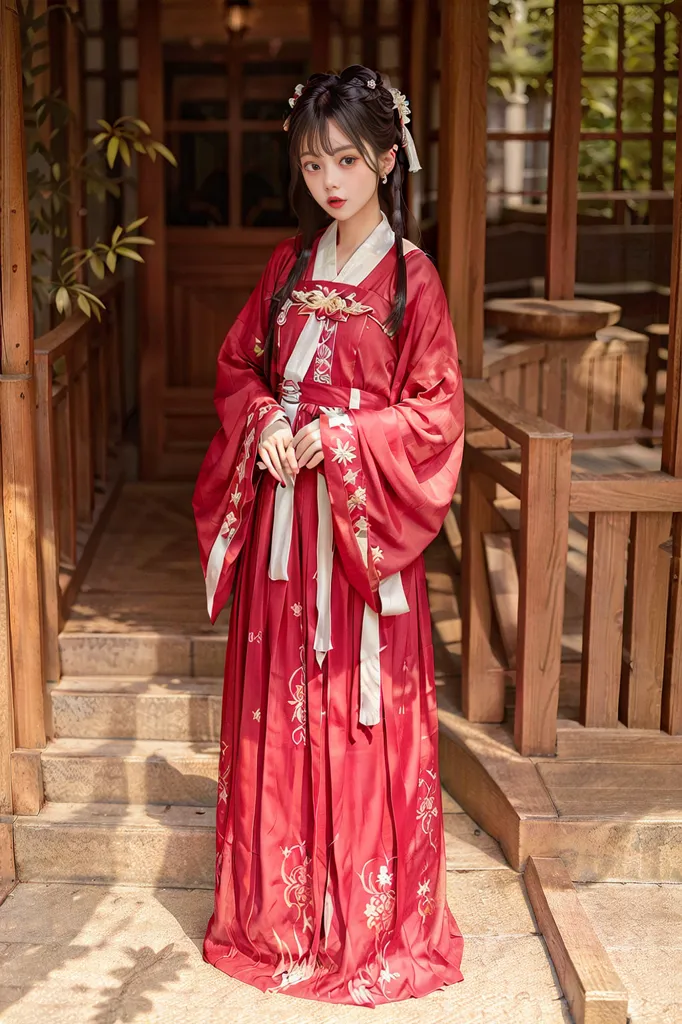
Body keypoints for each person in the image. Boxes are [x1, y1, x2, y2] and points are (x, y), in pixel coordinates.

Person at [192, 64, 465, 1006]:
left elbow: (435, 416)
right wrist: (267, 420)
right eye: (313, 166)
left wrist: (343, 436)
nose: (330, 183)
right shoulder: (287, 268)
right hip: (283, 531)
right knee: (280, 709)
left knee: (358, 714)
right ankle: (279, 919)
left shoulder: (412, 279)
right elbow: (240, 366)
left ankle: (368, 923)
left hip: (357, 542)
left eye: (347, 161)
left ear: (389, 160)